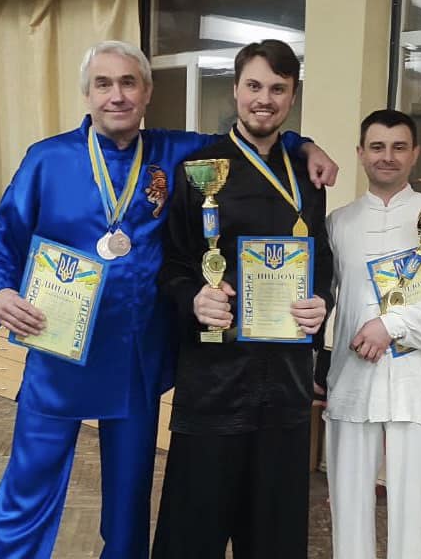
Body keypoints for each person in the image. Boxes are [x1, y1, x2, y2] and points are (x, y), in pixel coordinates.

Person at [0, 40, 337, 559]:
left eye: (129, 83)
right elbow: (0, 245)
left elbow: (252, 133)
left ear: (147, 92)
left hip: (136, 359)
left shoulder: (174, 152)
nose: (117, 96)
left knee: (129, 503)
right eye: (104, 84)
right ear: (87, 93)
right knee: (28, 487)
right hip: (57, 352)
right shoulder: (46, 160)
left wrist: (304, 145)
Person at [151, 39, 334, 559]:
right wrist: (193, 299)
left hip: (285, 389)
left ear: (292, 96)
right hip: (215, 382)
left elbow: (321, 258)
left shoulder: (308, 176)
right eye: (254, 85)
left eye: (278, 88)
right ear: (235, 89)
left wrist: (321, 301)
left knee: (275, 540)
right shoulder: (198, 168)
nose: (264, 99)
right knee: (191, 537)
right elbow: (173, 262)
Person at [321, 109, 421, 559]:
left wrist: (390, 325)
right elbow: (322, 297)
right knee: (348, 504)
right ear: (360, 153)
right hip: (352, 379)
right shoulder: (339, 223)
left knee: (417, 509)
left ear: (415, 154)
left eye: (399, 147)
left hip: (416, 383)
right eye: (377, 147)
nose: (387, 157)